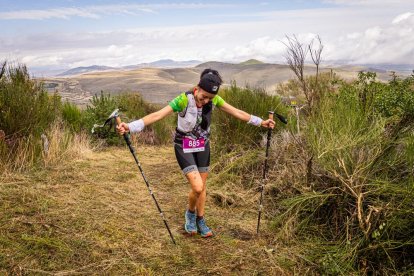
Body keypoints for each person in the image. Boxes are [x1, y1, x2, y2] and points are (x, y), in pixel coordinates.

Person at [117, 69, 275, 238]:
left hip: (202, 145)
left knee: (202, 188)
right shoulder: (183, 100)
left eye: (210, 98)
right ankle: (190, 214)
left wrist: (261, 122)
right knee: (197, 187)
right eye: (203, 97)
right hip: (183, 145)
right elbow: (158, 115)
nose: (205, 101)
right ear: (197, 88)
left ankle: (201, 219)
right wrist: (130, 126)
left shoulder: (214, 100)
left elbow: (237, 112)